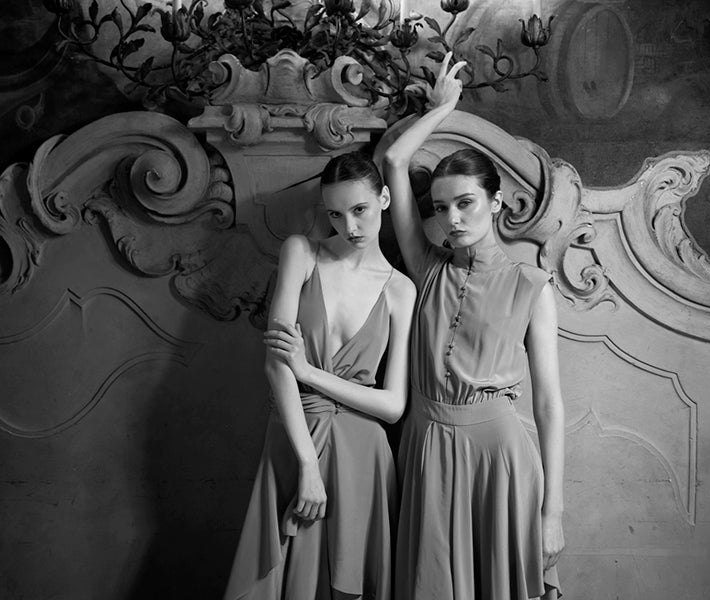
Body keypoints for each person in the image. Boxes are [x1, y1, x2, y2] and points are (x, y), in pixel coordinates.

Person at [383, 52, 566, 600]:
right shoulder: (426, 266)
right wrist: (441, 110)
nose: (452, 218)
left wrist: (553, 509)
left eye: (466, 203)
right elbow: (394, 160)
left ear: (495, 200)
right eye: (441, 208)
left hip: (500, 457)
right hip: (424, 445)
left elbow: (550, 403)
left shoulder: (531, 286)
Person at [223, 151, 417, 600]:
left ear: (385, 198)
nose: (348, 226)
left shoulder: (400, 290)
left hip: (363, 454)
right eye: (335, 213)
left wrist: (309, 370)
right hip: (295, 437)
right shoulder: (302, 252)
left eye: (359, 210)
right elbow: (275, 364)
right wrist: (307, 462)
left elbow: (393, 406)